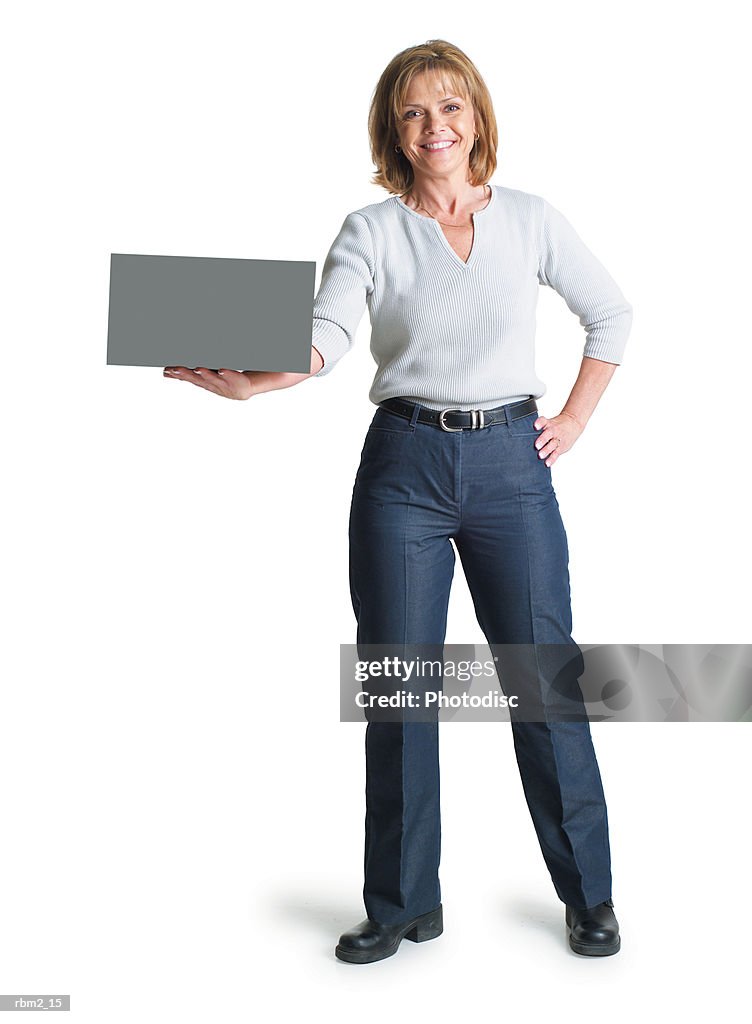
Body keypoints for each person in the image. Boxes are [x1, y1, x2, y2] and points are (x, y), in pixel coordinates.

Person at [164, 38, 632, 964]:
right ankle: (405, 903)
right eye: (414, 112)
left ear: (477, 117)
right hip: (404, 471)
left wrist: (573, 419)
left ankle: (590, 896)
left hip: (511, 465)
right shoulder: (371, 230)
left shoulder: (532, 219)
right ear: (393, 128)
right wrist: (266, 378)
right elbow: (329, 329)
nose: (435, 127)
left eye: (450, 107)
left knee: (542, 684)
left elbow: (612, 313)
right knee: (400, 691)